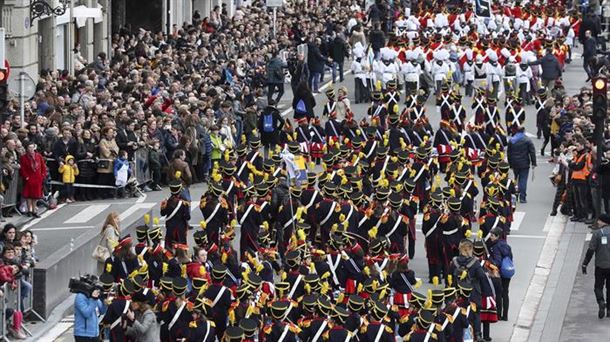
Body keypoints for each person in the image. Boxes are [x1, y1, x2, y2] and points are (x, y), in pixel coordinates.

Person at [582, 214, 610, 319]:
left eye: (599, 221)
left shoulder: (597, 234)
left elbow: (591, 250)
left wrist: (585, 263)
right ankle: (609, 310)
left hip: (600, 266)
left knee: (598, 286)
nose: (597, 222)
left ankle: (601, 301)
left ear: (604, 222)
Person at [488, 227, 514, 321]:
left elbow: (497, 262)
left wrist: (489, 259)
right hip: (507, 271)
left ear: (497, 236)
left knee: (499, 293)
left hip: (500, 272)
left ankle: (498, 314)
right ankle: (505, 315)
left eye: (492, 235)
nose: (490, 237)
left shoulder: (495, 246)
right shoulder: (506, 245)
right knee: (505, 292)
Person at [507, 127, 537, 203]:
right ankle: (522, 197)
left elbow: (509, 153)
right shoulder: (527, 140)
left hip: (514, 163)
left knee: (515, 179)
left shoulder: (512, 140)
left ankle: (515, 194)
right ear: (524, 131)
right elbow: (532, 152)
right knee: (523, 180)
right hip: (524, 163)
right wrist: (533, 163)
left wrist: (510, 164)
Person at [19, 142, 47, 217]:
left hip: (38, 178)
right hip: (29, 178)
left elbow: (43, 166)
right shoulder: (23, 157)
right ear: (27, 148)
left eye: (32, 147)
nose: (31, 149)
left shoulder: (39, 156)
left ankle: (34, 210)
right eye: (29, 147)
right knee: (29, 195)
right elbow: (22, 169)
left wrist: (43, 175)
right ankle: (29, 210)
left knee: (35, 196)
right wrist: (26, 177)